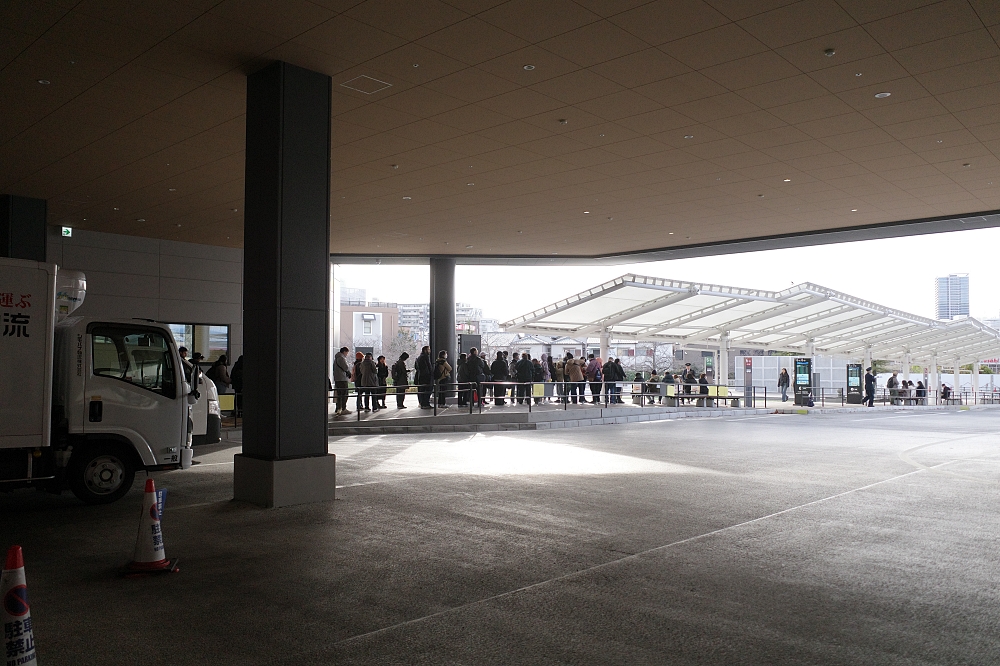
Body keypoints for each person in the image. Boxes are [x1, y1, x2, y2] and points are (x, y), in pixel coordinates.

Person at [333, 347, 352, 415]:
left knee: (339, 394)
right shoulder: (341, 358)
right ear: (344, 352)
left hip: (337, 378)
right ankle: (343, 408)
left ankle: (338, 408)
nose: (347, 354)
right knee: (344, 393)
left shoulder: (336, 358)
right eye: (347, 352)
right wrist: (349, 365)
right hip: (342, 378)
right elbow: (346, 367)